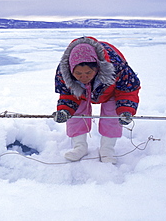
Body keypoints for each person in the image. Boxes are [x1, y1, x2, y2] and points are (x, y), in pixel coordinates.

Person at [53, 36, 140, 164]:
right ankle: (79, 147)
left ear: (97, 67)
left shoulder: (116, 66)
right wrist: (65, 111)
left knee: (112, 114)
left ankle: (107, 149)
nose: (84, 77)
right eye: (78, 74)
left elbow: (128, 90)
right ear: (71, 70)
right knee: (76, 114)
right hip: (81, 92)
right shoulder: (63, 72)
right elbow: (67, 95)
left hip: (111, 90)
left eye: (88, 73)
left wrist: (125, 111)